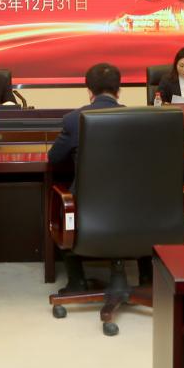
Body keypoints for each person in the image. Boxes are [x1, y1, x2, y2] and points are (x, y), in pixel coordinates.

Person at [48, 62, 124, 292]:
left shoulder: (74, 120)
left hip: (87, 209)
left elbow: (54, 158)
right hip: (133, 207)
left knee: (60, 203)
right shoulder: (139, 118)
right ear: (118, 91)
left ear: (89, 91)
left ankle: (77, 281)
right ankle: (147, 278)